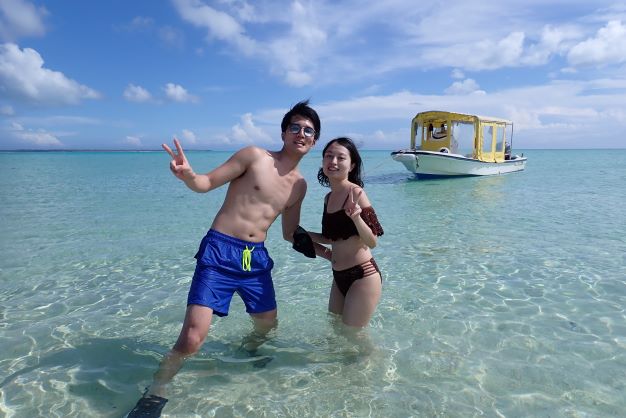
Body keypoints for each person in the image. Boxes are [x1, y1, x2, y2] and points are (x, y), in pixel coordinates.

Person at [126, 100, 321, 417]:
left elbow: (290, 232)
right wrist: (189, 175)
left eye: (308, 131)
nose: (301, 133)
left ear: (314, 141)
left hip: (254, 259)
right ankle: (155, 393)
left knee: (267, 324)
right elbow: (205, 184)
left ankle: (247, 350)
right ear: (284, 133)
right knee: (192, 338)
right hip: (220, 251)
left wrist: (332, 246)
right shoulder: (254, 156)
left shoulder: (299, 185)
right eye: (295, 127)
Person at [306, 137, 384, 328]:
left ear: (351, 165)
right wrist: (303, 233)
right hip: (338, 275)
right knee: (336, 330)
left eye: (341, 158)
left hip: (363, 275)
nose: (333, 161)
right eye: (328, 156)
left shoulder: (357, 193)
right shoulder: (328, 198)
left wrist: (356, 218)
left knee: (354, 335)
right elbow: (331, 238)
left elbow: (372, 241)